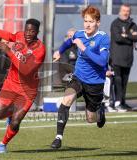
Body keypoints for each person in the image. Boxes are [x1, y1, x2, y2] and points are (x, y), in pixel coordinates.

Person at [0, 18, 46, 153]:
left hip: (27, 90)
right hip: (11, 84)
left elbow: (26, 70)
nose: (28, 33)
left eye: (32, 31)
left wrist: (8, 51)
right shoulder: (20, 35)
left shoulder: (40, 50)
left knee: (16, 122)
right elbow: (8, 35)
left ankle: (2, 144)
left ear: (37, 32)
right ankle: (11, 112)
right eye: (27, 30)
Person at [51, 5, 110, 149]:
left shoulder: (103, 38)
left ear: (98, 22)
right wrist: (59, 52)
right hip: (78, 77)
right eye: (85, 21)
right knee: (66, 100)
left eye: (91, 21)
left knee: (90, 118)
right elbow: (68, 42)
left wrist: (84, 48)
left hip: (95, 83)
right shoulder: (79, 34)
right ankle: (58, 138)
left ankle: (100, 113)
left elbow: (102, 61)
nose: (87, 24)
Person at [110, 3, 137, 111]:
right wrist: (130, 37)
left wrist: (126, 35)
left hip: (128, 59)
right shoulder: (115, 24)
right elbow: (118, 38)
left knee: (124, 82)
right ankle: (117, 103)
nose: (126, 13)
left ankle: (122, 102)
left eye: (127, 11)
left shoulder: (132, 24)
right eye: (124, 10)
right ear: (120, 11)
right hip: (117, 58)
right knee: (117, 81)